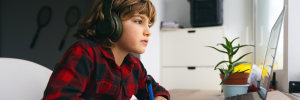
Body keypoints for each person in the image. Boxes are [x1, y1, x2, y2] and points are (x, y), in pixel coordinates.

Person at [42, 0, 170, 100]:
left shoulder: (135, 67)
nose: (148, 32)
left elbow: (157, 90)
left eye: (149, 24)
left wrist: (160, 98)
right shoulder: (84, 53)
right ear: (111, 23)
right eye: (138, 21)